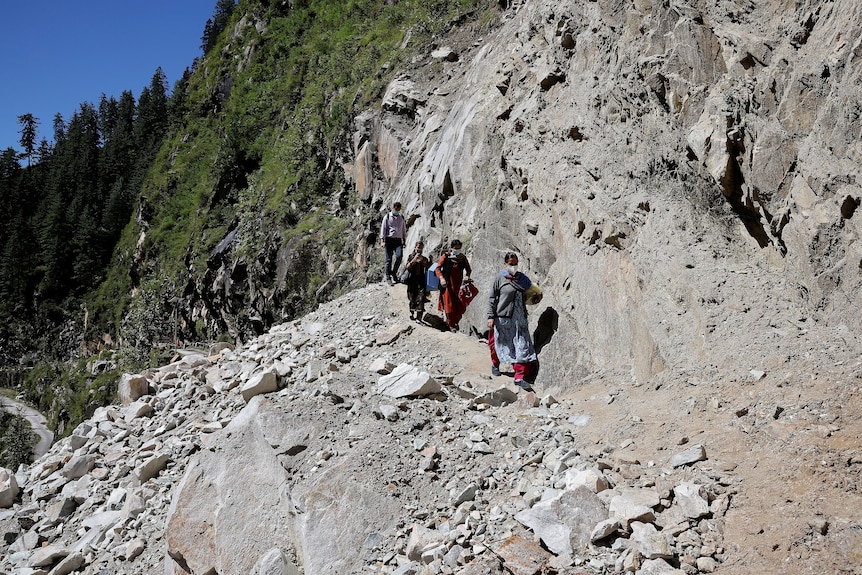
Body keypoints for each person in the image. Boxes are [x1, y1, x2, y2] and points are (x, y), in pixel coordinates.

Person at [486, 252, 537, 390]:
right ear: (505, 264)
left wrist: (535, 297)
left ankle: (519, 376)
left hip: (519, 319)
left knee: (522, 345)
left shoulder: (522, 279)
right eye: (510, 264)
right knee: (499, 343)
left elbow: (532, 291)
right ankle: (495, 364)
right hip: (503, 317)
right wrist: (490, 316)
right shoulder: (499, 278)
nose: (513, 266)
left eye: (515, 264)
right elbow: (492, 298)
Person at [435, 239, 472, 332]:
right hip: (447, 284)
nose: (457, 249)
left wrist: (467, 276)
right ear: (451, 248)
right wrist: (442, 278)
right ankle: (451, 324)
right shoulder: (446, 256)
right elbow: (438, 268)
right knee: (449, 305)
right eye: (455, 248)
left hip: (458, 285)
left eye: (459, 248)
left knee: (459, 305)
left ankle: (454, 322)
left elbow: (468, 269)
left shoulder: (462, 258)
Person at [379, 201, 406, 285]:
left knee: (399, 256)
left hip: (398, 241)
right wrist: (382, 241)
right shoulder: (387, 217)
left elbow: (403, 229)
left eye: (399, 209)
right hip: (389, 240)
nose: (397, 211)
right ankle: (388, 277)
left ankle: (394, 273)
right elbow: (383, 229)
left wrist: (404, 239)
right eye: (396, 209)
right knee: (388, 259)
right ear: (393, 208)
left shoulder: (401, 217)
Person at [404, 241, 431, 322]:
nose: (419, 249)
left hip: (421, 280)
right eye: (418, 247)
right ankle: (411, 313)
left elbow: (428, 267)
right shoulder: (411, 256)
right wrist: (414, 260)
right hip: (412, 280)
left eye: (421, 247)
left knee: (421, 298)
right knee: (412, 297)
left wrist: (425, 261)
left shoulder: (424, 258)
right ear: (415, 247)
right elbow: (408, 267)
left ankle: (419, 317)